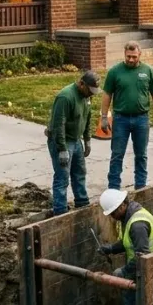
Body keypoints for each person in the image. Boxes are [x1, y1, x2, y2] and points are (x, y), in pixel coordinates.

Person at [97, 188, 153, 305]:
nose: (112, 217)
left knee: (131, 297)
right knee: (132, 295)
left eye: (113, 213)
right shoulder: (128, 217)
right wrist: (110, 249)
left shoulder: (137, 225)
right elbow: (128, 242)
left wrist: (124, 271)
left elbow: (142, 256)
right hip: (148, 263)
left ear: (122, 206)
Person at [101, 42, 153, 190]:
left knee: (141, 155)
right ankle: (114, 187)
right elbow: (106, 94)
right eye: (128, 57)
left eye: (134, 57)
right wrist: (104, 117)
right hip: (120, 119)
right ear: (124, 54)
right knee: (117, 154)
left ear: (139, 55)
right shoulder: (115, 72)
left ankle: (141, 186)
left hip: (141, 119)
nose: (130, 60)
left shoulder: (148, 71)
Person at [44, 71, 101, 216]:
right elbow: (58, 125)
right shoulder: (65, 97)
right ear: (81, 84)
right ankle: (60, 211)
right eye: (90, 90)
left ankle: (82, 203)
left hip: (76, 141)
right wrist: (62, 149)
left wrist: (87, 139)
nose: (92, 94)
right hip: (62, 141)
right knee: (62, 177)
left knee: (79, 173)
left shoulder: (86, 96)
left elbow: (87, 117)